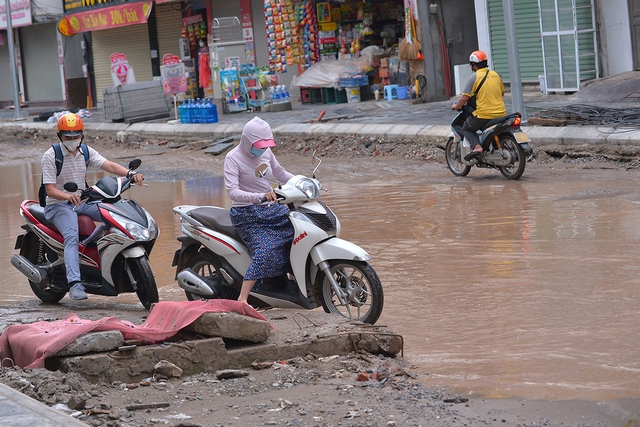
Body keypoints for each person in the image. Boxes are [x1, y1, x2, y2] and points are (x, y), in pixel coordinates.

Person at [42, 112, 144, 300]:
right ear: (59, 136)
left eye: (76, 136)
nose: (72, 139)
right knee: (71, 236)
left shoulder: (86, 151)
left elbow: (110, 166)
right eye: (68, 136)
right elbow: (49, 190)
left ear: (82, 135)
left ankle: (89, 245)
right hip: (58, 205)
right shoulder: (51, 156)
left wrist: (130, 174)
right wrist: (67, 196)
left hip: (82, 201)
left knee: (114, 215)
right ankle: (74, 284)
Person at [223, 116, 294, 304]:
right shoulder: (233, 158)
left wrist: (301, 182)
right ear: (247, 140)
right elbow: (233, 192)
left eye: (265, 144)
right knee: (265, 250)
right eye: (259, 144)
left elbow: (280, 173)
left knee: (299, 233)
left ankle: (293, 281)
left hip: (273, 209)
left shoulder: (266, 152)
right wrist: (258, 197)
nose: (262, 148)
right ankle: (243, 298)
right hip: (247, 214)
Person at [451, 50, 507, 161]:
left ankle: (477, 147)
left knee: (466, 128)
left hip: (483, 115)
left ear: (473, 65)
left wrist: (456, 106)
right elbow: (502, 93)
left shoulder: (474, 77)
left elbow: (465, 97)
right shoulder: (495, 75)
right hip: (501, 113)